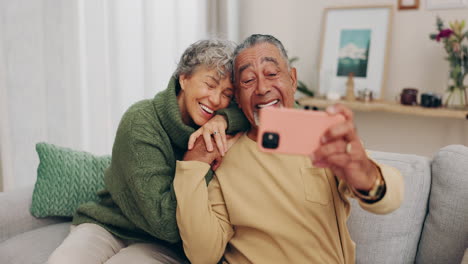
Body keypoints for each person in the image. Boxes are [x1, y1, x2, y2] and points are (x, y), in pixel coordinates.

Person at [174, 34, 404, 264]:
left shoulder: (324, 138)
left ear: (292, 79)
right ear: (237, 95)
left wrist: (365, 174)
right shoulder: (224, 153)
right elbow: (203, 255)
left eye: (272, 74)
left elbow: (391, 199)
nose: (262, 88)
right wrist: (192, 166)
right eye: (247, 80)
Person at [48, 39, 249, 264]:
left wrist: (225, 118)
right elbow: (164, 221)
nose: (215, 100)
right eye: (210, 84)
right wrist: (200, 160)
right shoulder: (141, 122)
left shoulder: (220, 124)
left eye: (227, 94)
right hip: (111, 225)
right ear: (183, 78)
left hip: (162, 244)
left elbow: (254, 113)